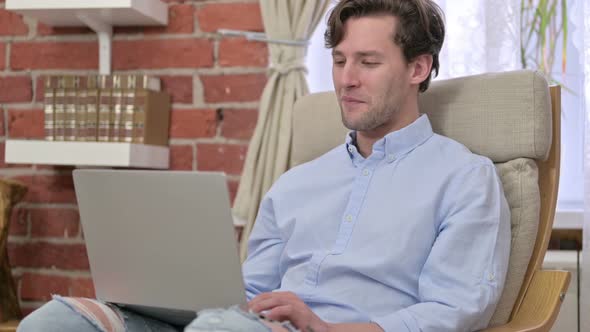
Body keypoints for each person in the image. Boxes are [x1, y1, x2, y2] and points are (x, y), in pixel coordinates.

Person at [18, 0, 510, 331]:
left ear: (418, 69)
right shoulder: (296, 183)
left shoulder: (465, 179)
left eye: (368, 62)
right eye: (339, 61)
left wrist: (323, 327)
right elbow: (247, 292)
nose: (346, 80)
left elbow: (452, 311)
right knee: (54, 323)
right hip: (240, 327)